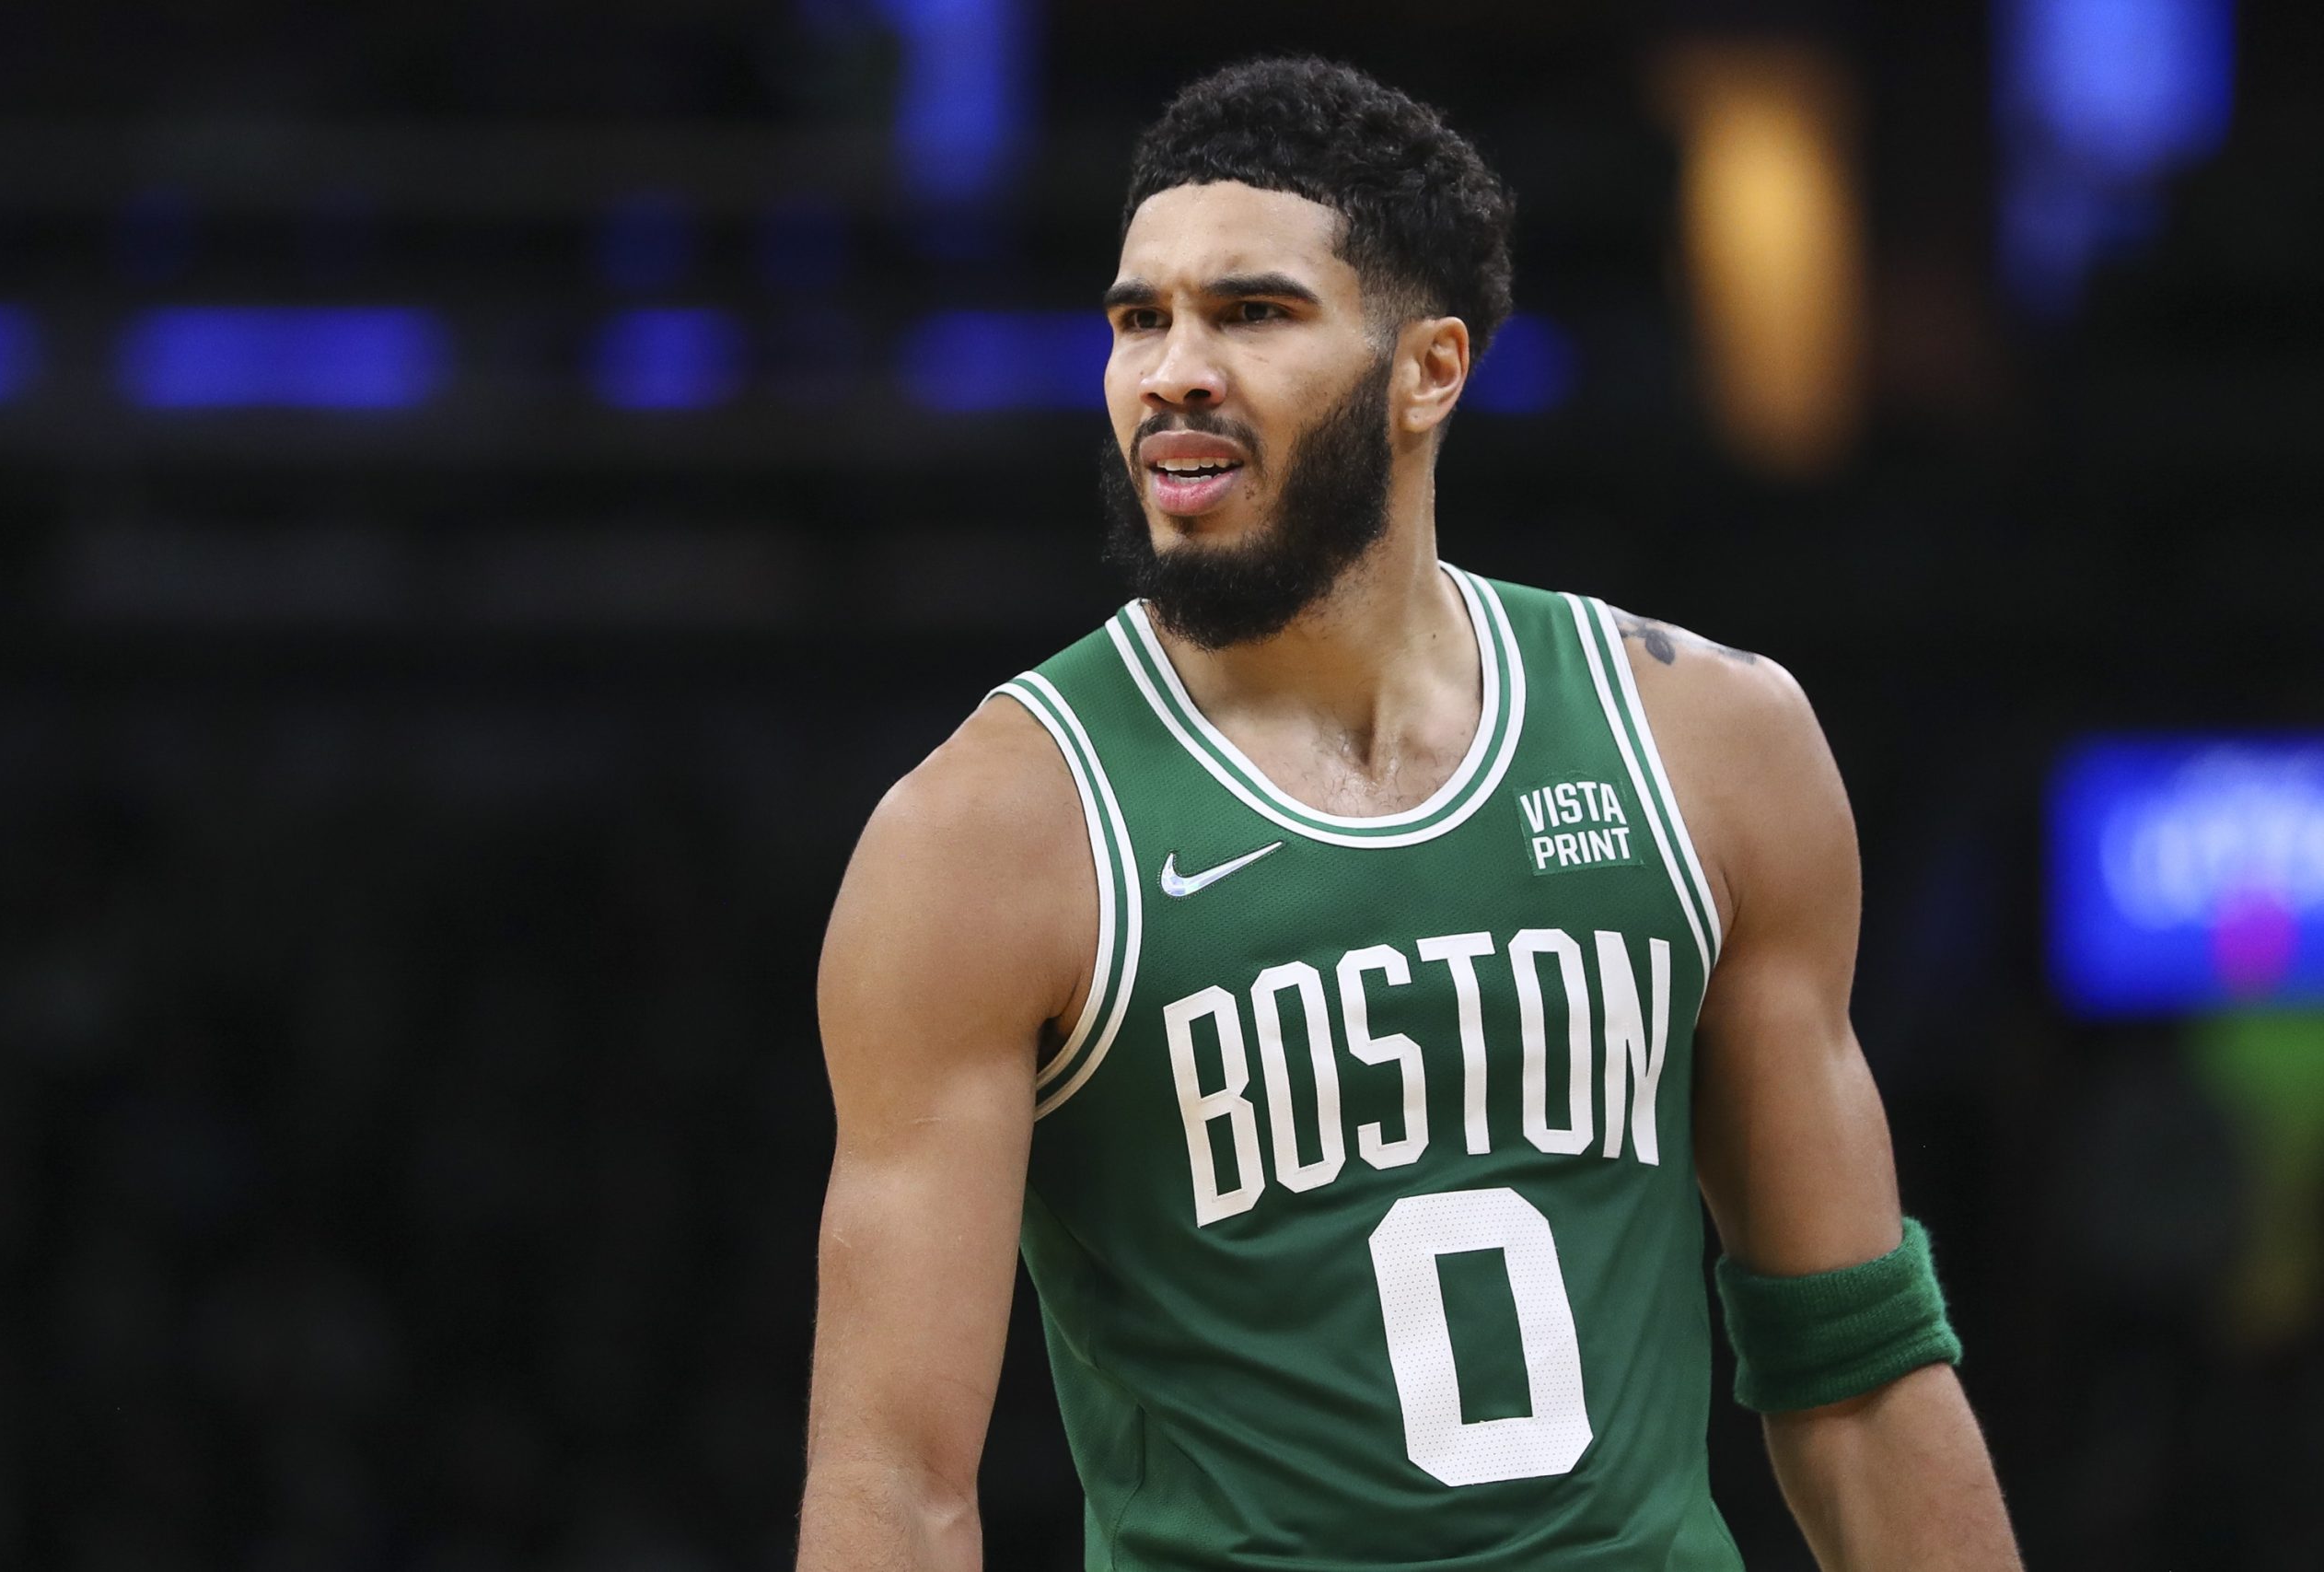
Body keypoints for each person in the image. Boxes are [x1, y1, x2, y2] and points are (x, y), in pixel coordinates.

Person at [800, 56, 2022, 1571]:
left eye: (1251, 311)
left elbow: (1857, 1379)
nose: (1172, 368)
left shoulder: (1710, 743)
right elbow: (899, 1495)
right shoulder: (989, 835)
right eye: (1138, 318)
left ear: (1429, 370)